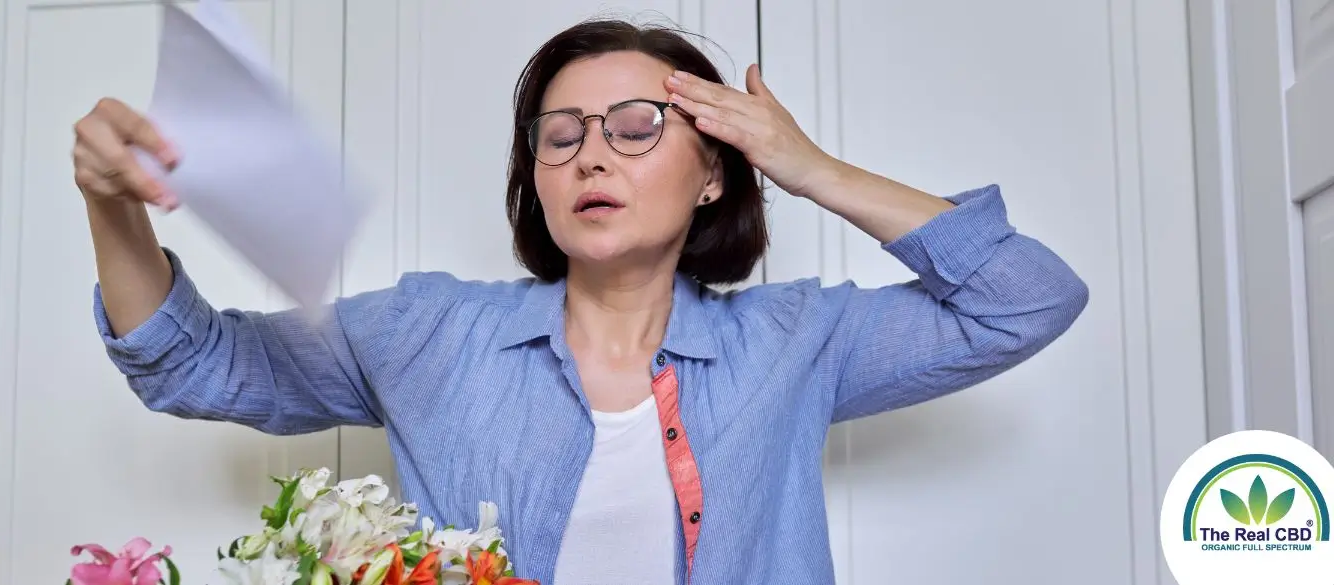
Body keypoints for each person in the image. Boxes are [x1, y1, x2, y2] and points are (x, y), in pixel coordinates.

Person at [72, 18, 1088, 585]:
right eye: (560, 135)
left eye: (637, 125)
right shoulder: (431, 334)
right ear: (539, 178)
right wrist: (109, 204)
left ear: (714, 172)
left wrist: (811, 167)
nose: (592, 150)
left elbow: (1026, 300)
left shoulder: (796, 342)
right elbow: (194, 365)